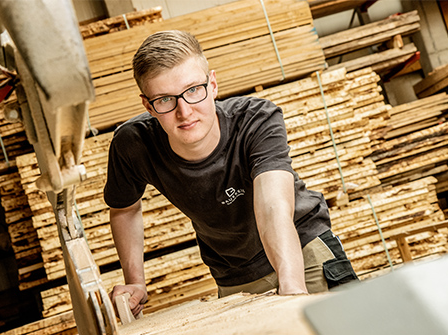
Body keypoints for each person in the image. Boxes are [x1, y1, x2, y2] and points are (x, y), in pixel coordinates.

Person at [104, 30, 358, 317]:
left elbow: (272, 207)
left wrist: (293, 289)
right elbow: (124, 208)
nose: (184, 112)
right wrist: (135, 281)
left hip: (303, 249)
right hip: (234, 274)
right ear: (148, 105)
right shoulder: (133, 144)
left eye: (193, 90)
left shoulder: (256, 120)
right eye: (165, 100)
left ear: (212, 84)